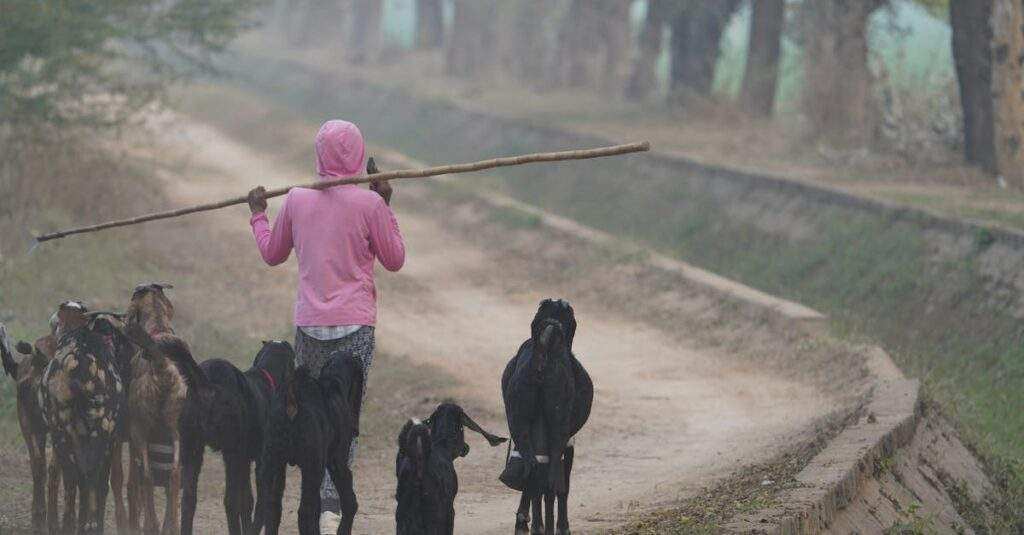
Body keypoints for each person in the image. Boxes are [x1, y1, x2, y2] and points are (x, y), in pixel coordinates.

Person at [247, 119, 405, 533]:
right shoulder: (370, 205)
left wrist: (258, 215)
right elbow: (395, 259)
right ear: (358, 155)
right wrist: (385, 203)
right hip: (356, 327)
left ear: (319, 155)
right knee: (343, 418)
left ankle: (316, 501)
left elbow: (272, 253)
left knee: (312, 414)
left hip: (310, 328)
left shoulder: (296, 200)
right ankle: (331, 504)